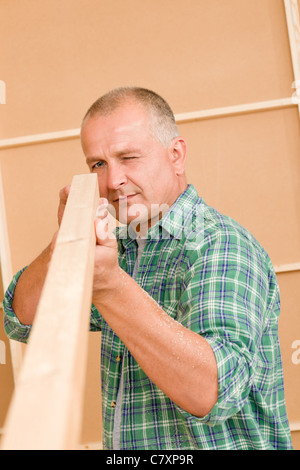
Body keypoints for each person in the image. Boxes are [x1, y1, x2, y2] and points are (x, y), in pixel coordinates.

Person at [3, 87, 293, 450]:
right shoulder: (124, 247)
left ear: (176, 155)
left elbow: (215, 390)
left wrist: (109, 285)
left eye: (128, 157)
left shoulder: (220, 244)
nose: (112, 182)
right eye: (98, 164)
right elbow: (21, 318)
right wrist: (65, 245)